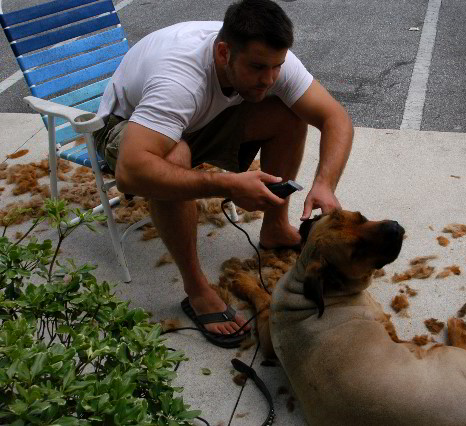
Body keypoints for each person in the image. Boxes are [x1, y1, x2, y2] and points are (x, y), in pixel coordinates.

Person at [94, 0, 353, 348]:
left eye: (276, 67)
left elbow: (336, 118)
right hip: (123, 129)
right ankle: (196, 288)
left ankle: (275, 226)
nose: (269, 78)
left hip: (194, 121)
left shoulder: (271, 61)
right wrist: (226, 183)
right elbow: (130, 172)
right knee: (175, 154)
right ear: (222, 52)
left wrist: (325, 184)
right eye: (258, 67)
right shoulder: (180, 79)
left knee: (289, 115)